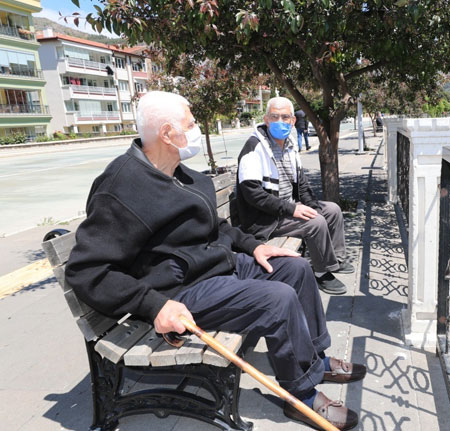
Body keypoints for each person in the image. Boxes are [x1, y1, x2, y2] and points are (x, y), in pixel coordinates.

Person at [64, 91, 364, 431]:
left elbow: (218, 226)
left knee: (294, 268)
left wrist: (253, 247)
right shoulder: (122, 187)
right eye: (191, 124)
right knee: (276, 300)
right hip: (181, 290)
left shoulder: (181, 173)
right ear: (166, 133)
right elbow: (87, 270)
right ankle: (301, 395)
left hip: (219, 265)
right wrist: (153, 305)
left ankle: (315, 358)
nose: (197, 129)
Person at [237, 97, 353, 295]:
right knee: (315, 222)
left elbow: (302, 184)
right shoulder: (254, 147)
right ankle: (321, 273)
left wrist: (312, 205)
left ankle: (335, 261)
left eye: (285, 117)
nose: (280, 121)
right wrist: (293, 209)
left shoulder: (290, 145)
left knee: (332, 210)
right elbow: (252, 194)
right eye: (274, 116)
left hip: (285, 209)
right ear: (266, 119)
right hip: (265, 218)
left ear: (293, 121)